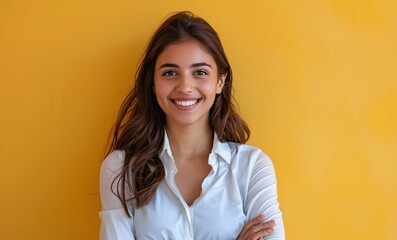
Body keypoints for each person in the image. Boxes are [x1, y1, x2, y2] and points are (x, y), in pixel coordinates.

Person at [99, 11, 285, 239]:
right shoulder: (121, 169)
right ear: (153, 83)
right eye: (170, 73)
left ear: (220, 81)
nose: (185, 86)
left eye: (199, 72)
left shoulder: (252, 168)